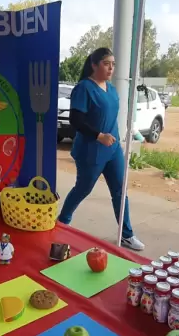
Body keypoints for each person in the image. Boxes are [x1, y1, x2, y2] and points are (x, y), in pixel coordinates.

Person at [57, 47, 145, 251]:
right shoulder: (84, 88)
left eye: (113, 64)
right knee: (83, 189)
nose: (111, 68)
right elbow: (75, 120)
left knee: (120, 191)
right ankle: (62, 223)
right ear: (94, 65)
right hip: (91, 149)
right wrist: (99, 136)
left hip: (112, 149)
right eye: (107, 63)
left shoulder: (111, 89)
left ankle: (126, 234)